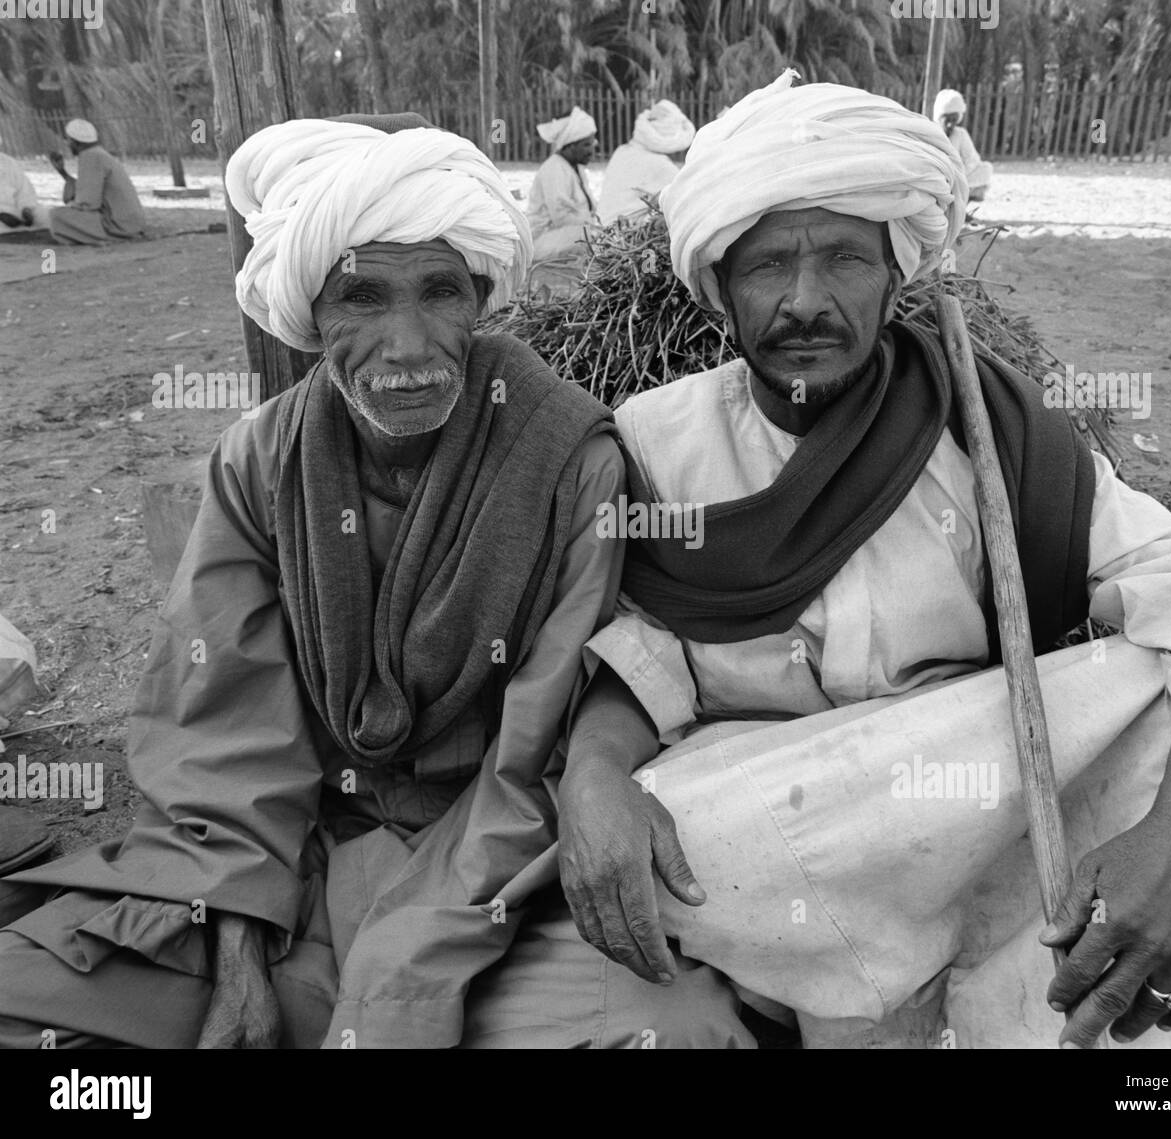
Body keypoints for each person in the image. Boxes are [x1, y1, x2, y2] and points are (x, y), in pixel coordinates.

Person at [557, 71, 1171, 1049]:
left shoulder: (986, 428)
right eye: (767, 265)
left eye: (843, 262)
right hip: (782, 843)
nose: (805, 302)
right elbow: (635, 652)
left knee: (1164, 706)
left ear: (897, 269)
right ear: (716, 285)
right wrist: (592, 773)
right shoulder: (653, 447)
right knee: (657, 816)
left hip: (978, 821)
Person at [0, 114, 749, 1049]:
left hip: (494, 883)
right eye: (362, 295)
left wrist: (403, 970)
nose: (407, 345)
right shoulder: (258, 461)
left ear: (481, 296)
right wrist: (237, 949)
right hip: (290, 870)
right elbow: (226, 731)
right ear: (310, 311)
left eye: (439, 291)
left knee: (673, 1029)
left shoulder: (571, 462)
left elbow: (533, 762)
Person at [525, 106, 599, 296]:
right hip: (543, 240)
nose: (592, 150)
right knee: (595, 239)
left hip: (565, 234)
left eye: (592, 144)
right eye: (586, 145)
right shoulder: (554, 169)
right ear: (570, 145)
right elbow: (562, 217)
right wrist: (598, 229)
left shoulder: (577, 169)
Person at [47, 119, 146, 245]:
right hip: (131, 222)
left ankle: (105, 238)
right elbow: (88, 189)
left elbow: (88, 203)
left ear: (75, 142)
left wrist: (71, 205)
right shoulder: (98, 154)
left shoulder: (90, 157)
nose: (68, 144)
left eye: (69, 140)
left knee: (55, 216)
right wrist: (63, 172)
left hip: (118, 225)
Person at [597, 100, 695, 224]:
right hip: (628, 233)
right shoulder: (661, 165)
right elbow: (687, 198)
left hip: (603, 231)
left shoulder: (622, 151)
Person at [933, 88, 992, 202]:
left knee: (986, 169)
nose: (950, 124)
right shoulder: (931, 132)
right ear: (939, 117)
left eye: (954, 120)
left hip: (957, 177)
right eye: (947, 120)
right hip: (936, 178)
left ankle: (961, 210)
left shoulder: (960, 134)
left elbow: (973, 160)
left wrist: (958, 175)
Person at [0, 137, 46, 236]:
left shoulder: (9, 162)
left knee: (47, 215)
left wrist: (26, 210)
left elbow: (25, 192)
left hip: (16, 213)